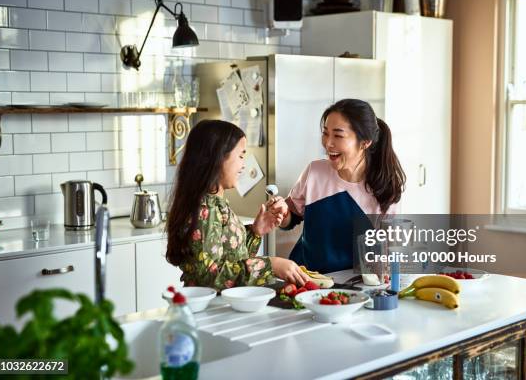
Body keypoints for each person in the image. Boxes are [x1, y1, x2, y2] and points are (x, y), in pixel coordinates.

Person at [166, 119, 309, 290]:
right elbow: (209, 276)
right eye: (241, 156)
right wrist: (270, 265)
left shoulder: (216, 204)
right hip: (212, 310)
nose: (243, 165)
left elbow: (231, 259)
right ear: (217, 158)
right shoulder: (205, 210)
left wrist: (256, 231)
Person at [279, 99, 406, 274]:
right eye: (325, 133)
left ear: (365, 142)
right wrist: (281, 213)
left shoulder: (385, 189)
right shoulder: (315, 171)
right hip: (306, 280)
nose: (328, 143)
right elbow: (291, 216)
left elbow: (389, 251)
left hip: (353, 285)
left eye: (338, 135)